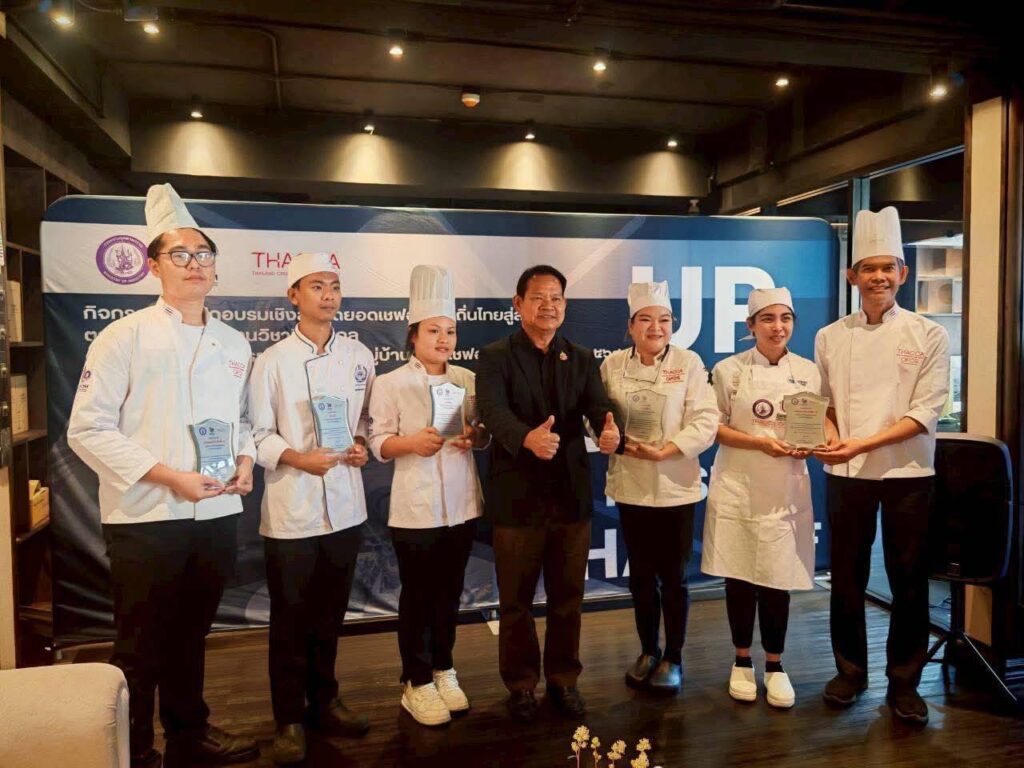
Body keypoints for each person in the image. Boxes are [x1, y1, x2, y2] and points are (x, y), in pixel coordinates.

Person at [67, 183, 259, 767]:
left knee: (191, 634)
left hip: (216, 511)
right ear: (153, 266)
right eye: (180, 254)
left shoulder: (234, 342)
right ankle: (133, 749)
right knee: (140, 645)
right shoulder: (124, 336)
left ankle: (188, 733)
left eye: (203, 254)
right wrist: (170, 477)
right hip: (147, 515)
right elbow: (87, 428)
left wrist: (246, 459)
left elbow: (241, 419)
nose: (194, 263)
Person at [814, 207, 950, 724]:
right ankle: (850, 672)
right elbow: (824, 403)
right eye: (868, 268)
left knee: (908, 577)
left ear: (903, 274)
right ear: (852, 276)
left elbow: (924, 413)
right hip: (845, 473)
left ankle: (905, 682)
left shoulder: (928, 335)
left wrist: (860, 444)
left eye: (887, 268)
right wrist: (832, 436)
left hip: (907, 472)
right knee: (846, 576)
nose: (878, 277)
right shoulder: (830, 336)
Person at [476, 264, 623, 722]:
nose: (548, 306)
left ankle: (564, 679)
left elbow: (598, 407)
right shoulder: (495, 356)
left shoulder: (580, 357)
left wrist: (610, 429)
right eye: (538, 297)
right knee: (515, 601)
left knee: (568, 597)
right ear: (518, 304)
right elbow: (493, 411)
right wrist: (526, 438)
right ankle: (521, 685)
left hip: (569, 497)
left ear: (565, 305)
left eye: (556, 297)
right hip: (516, 497)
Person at [248, 252, 374, 764]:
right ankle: (288, 718)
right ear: (293, 296)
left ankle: (325, 701)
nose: (328, 295)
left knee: (330, 614)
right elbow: (256, 434)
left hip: (346, 507)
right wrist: (298, 458)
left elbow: (364, 422)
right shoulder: (272, 361)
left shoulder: (360, 356)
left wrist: (360, 445)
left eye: (335, 286)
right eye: (317, 286)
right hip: (292, 510)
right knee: (291, 619)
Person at [368, 265, 488, 727]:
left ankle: (443, 668)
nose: (444, 339)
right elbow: (378, 443)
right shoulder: (391, 382)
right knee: (417, 596)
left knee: (449, 593)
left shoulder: (467, 378)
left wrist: (475, 437)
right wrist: (411, 443)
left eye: (450, 331)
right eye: (434, 330)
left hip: (461, 504)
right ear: (413, 334)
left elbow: (481, 434)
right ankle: (415, 681)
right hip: (415, 509)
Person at [702, 287, 820, 709]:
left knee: (777, 577)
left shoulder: (808, 371)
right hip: (737, 484)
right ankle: (740, 660)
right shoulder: (728, 371)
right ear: (750, 326)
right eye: (767, 319)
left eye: (785, 318)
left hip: (785, 486)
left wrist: (811, 445)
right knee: (738, 575)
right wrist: (759, 443)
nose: (777, 327)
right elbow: (713, 427)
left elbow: (817, 423)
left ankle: (775, 664)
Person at [600, 281, 718, 693]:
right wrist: (607, 437)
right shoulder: (612, 365)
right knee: (641, 576)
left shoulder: (689, 362)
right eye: (646, 320)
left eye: (664, 320)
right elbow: (599, 417)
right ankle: (648, 650)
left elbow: (706, 419)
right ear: (631, 326)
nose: (656, 328)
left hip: (676, 486)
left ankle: (674, 656)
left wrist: (668, 450)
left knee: (674, 577)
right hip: (631, 484)